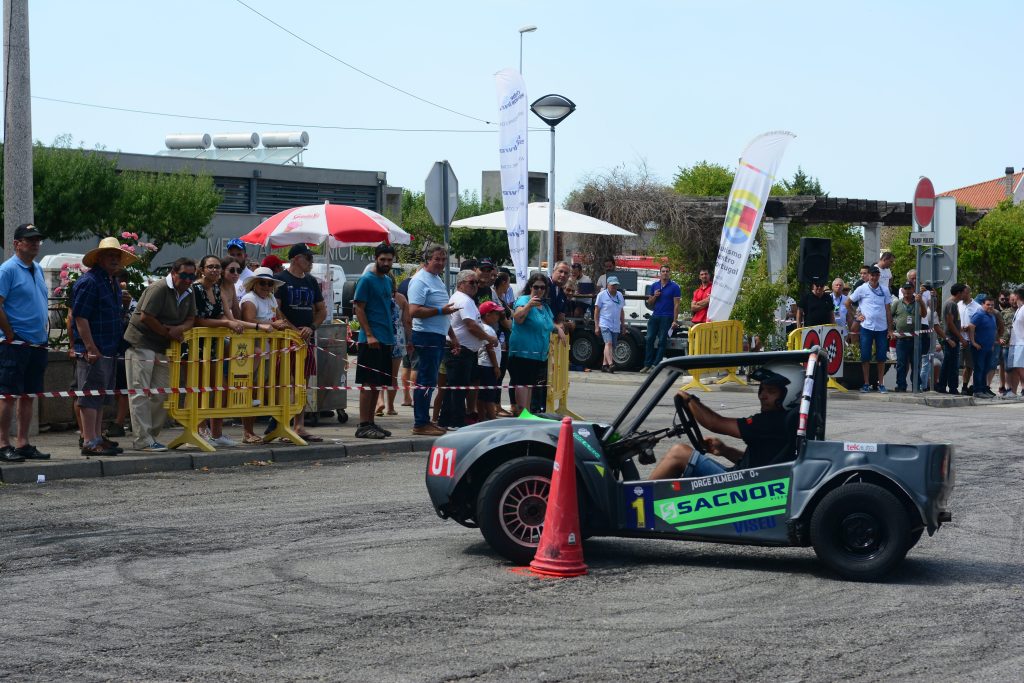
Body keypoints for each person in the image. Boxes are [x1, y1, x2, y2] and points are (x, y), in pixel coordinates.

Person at [649, 367, 793, 480]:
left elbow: (714, 423)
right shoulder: (784, 422)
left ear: (789, 393)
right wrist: (725, 450)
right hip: (749, 480)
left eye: (771, 391)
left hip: (743, 487)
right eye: (762, 389)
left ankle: (636, 505)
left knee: (679, 453)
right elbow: (758, 462)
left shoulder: (772, 421)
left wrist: (688, 398)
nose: (762, 396)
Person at [123, 257, 197, 451]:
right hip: (142, 342)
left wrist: (179, 328)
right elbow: (146, 317)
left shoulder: (189, 292)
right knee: (140, 391)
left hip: (164, 346)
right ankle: (142, 439)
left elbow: (191, 318)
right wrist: (168, 332)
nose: (189, 279)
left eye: (192, 276)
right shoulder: (159, 288)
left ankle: (151, 436)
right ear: (174, 273)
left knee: (161, 393)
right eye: (184, 275)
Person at [71, 237, 135, 456]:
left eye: (117, 256)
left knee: (100, 395)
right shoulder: (89, 282)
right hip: (94, 349)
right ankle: (89, 440)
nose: (115, 259)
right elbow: (80, 317)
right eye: (110, 255)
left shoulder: (111, 281)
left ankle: (97, 436)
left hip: (108, 347)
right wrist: (89, 347)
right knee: (89, 395)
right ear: (99, 258)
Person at [0, 223, 51, 463]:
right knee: (8, 394)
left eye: (37, 240)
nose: (34, 244)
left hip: (37, 342)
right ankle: (2, 443)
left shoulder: (38, 269)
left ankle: (23, 442)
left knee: (29, 394)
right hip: (16, 342)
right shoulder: (8, 269)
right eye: (29, 240)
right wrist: (9, 333)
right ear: (16, 243)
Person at [193, 255, 248, 447]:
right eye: (210, 267)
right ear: (201, 269)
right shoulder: (196, 289)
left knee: (220, 388)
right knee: (200, 388)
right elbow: (197, 320)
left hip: (215, 347)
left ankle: (217, 434)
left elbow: (228, 316)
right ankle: (199, 431)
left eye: (217, 267)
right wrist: (227, 322)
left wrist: (250, 325)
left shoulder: (216, 289)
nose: (215, 270)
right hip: (196, 348)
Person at [275, 243, 327, 441]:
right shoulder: (280, 279)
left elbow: (322, 310)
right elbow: (276, 309)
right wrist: (292, 329)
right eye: (308, 258)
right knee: (283, 382)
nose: (311, 262)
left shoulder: (312, 281)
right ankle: (282, 425)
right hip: (285, 340)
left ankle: (299, 425)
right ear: (296, 258)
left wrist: (311, 327)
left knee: (302, 383)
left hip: (306, 339)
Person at [407, 245, 459, 436]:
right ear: (428, 259)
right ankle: (420, 422)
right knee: (426, 380)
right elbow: (414, 311)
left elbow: (445, 311)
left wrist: (452, 336)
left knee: (430, 380)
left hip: (437, 335)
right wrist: (439, 311)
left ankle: (425, 420)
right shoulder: (420, 280)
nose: (441, 263)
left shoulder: (436, 279)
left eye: (443, 259)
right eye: (437, 259)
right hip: (426, 335)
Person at [439, 270, 496, 429]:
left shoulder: (465, 299)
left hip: (465, 350)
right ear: (460, 284)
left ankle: (446, 420)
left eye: (477, 282)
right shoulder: (463, 300)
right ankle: (454, 421)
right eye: (471, 282)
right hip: (460, 350)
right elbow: (471, 325)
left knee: (456, 388)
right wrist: (489, 338)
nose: (475, 286)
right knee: (458, 389)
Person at [238, 267, 288, 444]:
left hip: (268, 351)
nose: (266, 286)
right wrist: (273, 324)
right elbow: (249, 320)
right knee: (250, 389)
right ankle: (247, 431)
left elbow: (280, 318)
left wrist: (296, 331)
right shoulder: (249, 298)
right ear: (254, 284)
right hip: (252, 351)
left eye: (269, 283)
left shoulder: (271, 298)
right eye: (262, 283)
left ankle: (274, 428)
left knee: (261, 389)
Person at [352, 244, 397, 439]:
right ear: (376, 258)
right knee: (368, 384)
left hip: (386, 339)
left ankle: (371, 422)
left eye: (389, 260)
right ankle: (363, 425)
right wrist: (369, 334)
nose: (386, 263)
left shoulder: (387, 280)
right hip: (370, 340)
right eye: (383, 259)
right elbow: (359, 308)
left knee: (378, 384)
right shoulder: (366, 280)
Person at [509, 272, 554, 415]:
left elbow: (548, 325)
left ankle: (526, 415)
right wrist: (529, 305)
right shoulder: (524, 300)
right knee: (523, 384)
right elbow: (517, 318)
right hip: (523, 353)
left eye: (542, 287)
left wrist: (558, 329)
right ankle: (523, 415)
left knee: (529, 386)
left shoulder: (544, 306)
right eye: (536, 287)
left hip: (538, 355)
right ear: (530, 287)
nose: (539, 290)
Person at [849, 265, 893, 393]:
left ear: (879, 276)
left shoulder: (884, 289)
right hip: (866, 327)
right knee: (865, 356)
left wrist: (890, 329)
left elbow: (888, 310)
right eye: (872, 275)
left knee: (881, 357)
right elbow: (848, 303)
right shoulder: (862, 289)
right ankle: (866, 383)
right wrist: (856, 316)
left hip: (881, 327)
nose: (874, 277)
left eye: (876, 275)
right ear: (868, 276)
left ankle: (881, 383)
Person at [376, 274, 411, 418]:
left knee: (378, 372)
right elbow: (407, 321)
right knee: (392, 375)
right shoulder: (402, 299)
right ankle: (390, 407)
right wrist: (410, 340)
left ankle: (380, 402)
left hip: (381, 336)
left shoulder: (378, 297)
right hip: (398, 338)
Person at [642, 265, 681, 373]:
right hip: (655, 315)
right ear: (660, 273)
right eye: (663, 271)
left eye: (667, 271)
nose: (665, 273)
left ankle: (656, 365)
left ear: (669, 273)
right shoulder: (654, 285)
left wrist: (675, 320)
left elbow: (676, 305)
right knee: (649, 338)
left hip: (667, 316)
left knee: (662, 341)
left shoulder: (675, 287)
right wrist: (655, 296)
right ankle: (647, 364)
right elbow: (649, 302)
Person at [890, 282, 927, 392]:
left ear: (913, 289)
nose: (907, 291)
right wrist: (891, 330)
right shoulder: (897, 303)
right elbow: (890, 316)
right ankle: (901, 385)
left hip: (915, 339)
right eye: (905, 289)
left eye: (910, 288)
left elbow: (924, 314)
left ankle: (916, 385)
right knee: (901, 364)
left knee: (916, 363)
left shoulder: (917, 302)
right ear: (902, 290)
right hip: (901, 339)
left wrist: (920, 302)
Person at [476, 301, 505, 421]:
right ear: (487, 315)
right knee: (489, 396)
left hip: (483, 365)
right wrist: (496, 366)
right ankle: (492, 419)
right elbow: (490, 349)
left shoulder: (483, 328)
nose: (498, 317)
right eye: (496, 314)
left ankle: (482, 418)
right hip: (488, 366)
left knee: (482, 395)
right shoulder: (488, 330)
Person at [937, 283, 967, 394]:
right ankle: (949, 387)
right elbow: (950, 323)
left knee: (950, 363)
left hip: (953, 338)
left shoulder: (953, 304)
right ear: (959, 293)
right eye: (964, 292)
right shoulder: (951, 304)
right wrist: (961, 338)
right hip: (951, 339)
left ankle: (945, 386)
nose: (965, 294)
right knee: (951, 364)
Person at [968, 295, 998, 398]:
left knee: (986, 368)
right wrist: (973, 342)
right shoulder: (979, 314)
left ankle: (983, 389)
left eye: (992, 305)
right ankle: (977, 390)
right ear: (982, 304)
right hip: (979, 347)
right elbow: (971, 326)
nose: (990, 307)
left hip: (988, 347)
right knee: (979, 368)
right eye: (988, 304)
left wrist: (993, 343)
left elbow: (992, 330)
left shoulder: (992, 315)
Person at [595, 275, 626, 373]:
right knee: (608, 343)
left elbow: (621, 310)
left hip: (615, 324)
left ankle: (604, 365)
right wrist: (597, 325)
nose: (614, 286)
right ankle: (611, 364)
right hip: (605, 322)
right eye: (612, 285)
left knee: (610, 345)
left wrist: (623, 325)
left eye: (615, 285)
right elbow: (596, 310)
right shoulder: (602, 295)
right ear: (607, 285)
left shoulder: (620, 295)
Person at [957, 286, 982, 394]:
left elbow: (979, 323)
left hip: (969, 340)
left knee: (969, 365)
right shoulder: (957, 305)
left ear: (968, 293)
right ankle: (953, 385)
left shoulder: (977, 307)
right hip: (958, 339)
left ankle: (964, 387)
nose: (962, 295)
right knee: (956, 365)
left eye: (964, 293)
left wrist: (970, 328)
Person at [1006, 288, 1024, 399]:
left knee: (1020, 367)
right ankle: (1013, 391)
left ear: (1017, 296)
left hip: (1022, 343)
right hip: (1014, 343)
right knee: (1015, 368)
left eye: (1014, 297)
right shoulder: (1019, 309)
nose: (1012, 299)